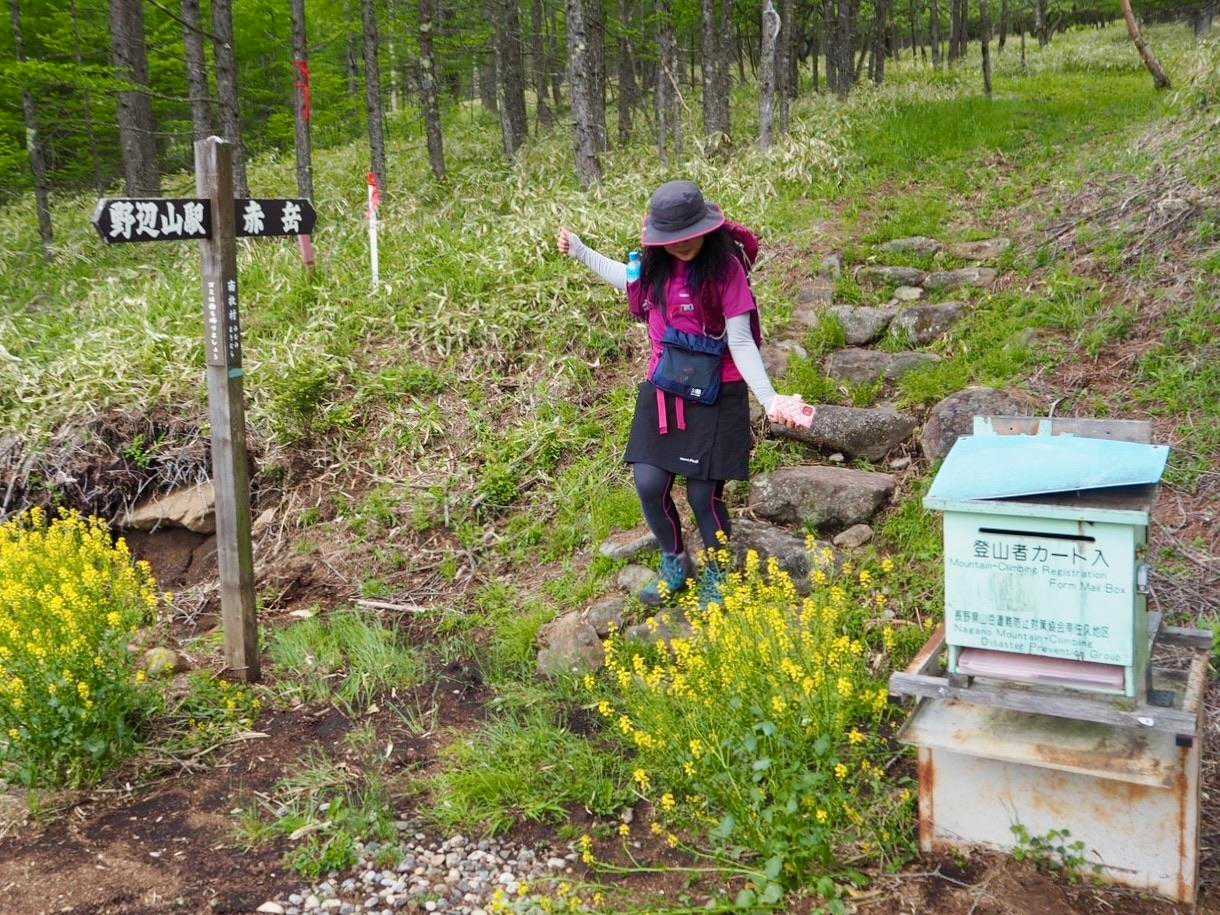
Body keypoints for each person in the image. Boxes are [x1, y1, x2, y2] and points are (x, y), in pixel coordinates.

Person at [558, 180, 813, 606]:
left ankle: (717, 570)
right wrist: (581, 251)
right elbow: (625, 279)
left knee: (702, 494)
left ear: (705, 229)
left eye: (687, 235)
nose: (680, 245)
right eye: (670, 238)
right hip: (666, 385)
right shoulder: (654, 265)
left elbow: (741, 340)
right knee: (648, 483)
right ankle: (675, 561)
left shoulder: (725, 268)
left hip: (719, 387)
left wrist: (769, 398)